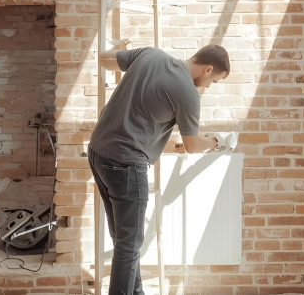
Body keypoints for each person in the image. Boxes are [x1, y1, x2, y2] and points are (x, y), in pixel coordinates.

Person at [87, 44, 230, 295]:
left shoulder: (150, 54)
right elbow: (193, 145)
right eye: (213, 81)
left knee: (124, 239)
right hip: (126, 165)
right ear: (208, 69)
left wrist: (119, 49)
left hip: (98, 153)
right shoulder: (188, 93)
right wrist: (216, 142)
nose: (207, 86)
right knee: (129, 244)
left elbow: (105, 60)